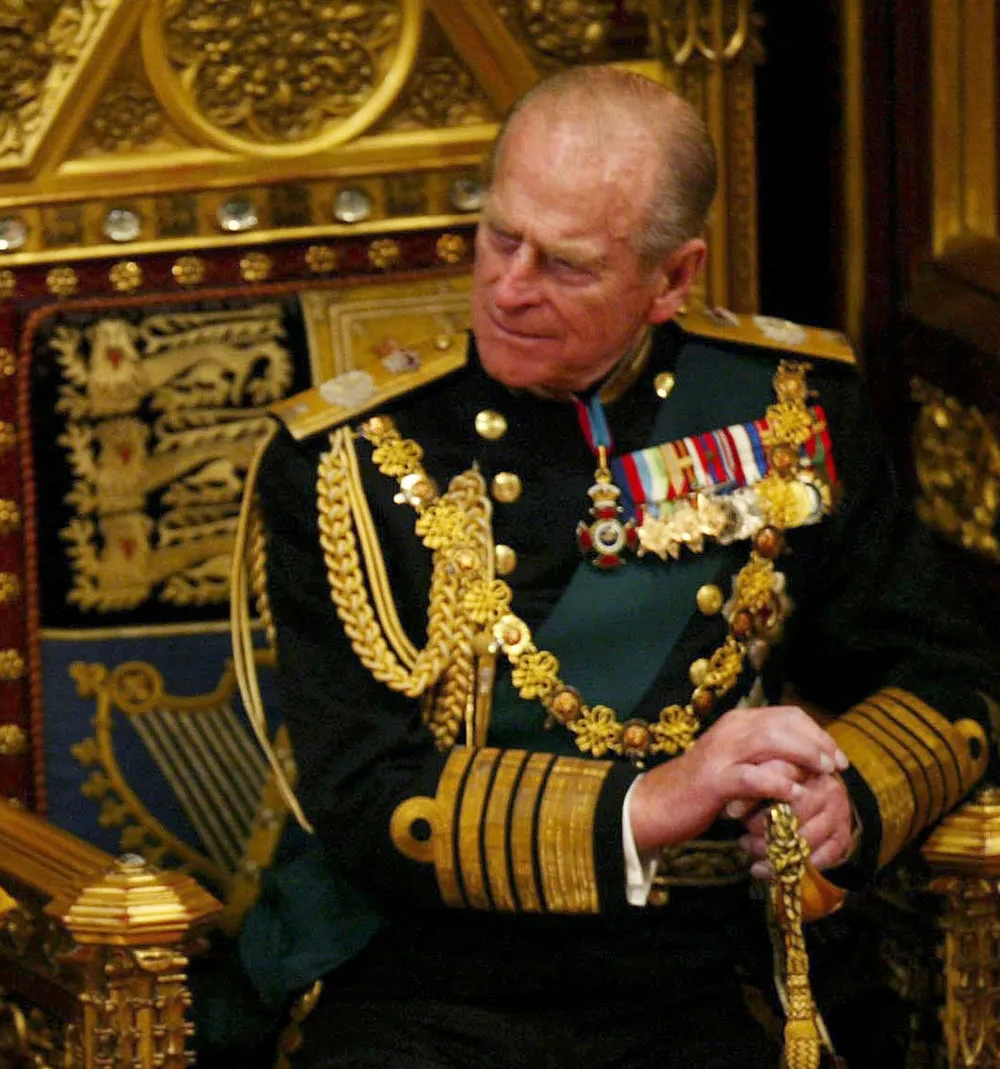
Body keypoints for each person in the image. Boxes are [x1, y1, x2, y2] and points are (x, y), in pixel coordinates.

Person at [240, 66, 996, 1067]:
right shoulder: (349, 460)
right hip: (430, 983)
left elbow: (947, 677)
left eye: (566, 265)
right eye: (499, 237)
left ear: (673, 279)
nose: (510, 288)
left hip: (705, 970)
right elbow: (365, 797)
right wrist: (653, 801)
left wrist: (845, 798)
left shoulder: (787, 413)